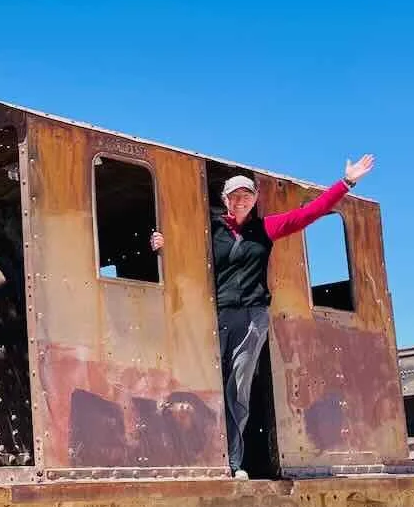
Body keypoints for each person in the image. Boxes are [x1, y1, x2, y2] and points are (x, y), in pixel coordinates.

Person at [150, 156, 375, 478]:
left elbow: (308, 213)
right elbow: (179, 251)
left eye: (247, 195)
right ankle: (203, 457)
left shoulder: (264, 228)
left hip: (253, 317)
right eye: (234, 195)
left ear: (254, 200)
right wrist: (159, 246)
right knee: (204, 384)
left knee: (238, 387)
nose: (241, 200)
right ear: (224, 200)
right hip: (217, 314)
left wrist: (347, 182)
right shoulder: (210, 231)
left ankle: (233, 461)